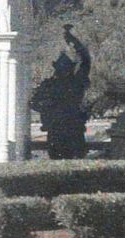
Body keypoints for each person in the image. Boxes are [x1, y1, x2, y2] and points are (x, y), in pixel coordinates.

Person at [30, 25, 92, 160]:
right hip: (59, 129)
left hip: (70, 128)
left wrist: (74, 41)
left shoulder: (75, 82)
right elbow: (33, 103)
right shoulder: (53, 84)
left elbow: (86, 60)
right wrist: (47, 107)